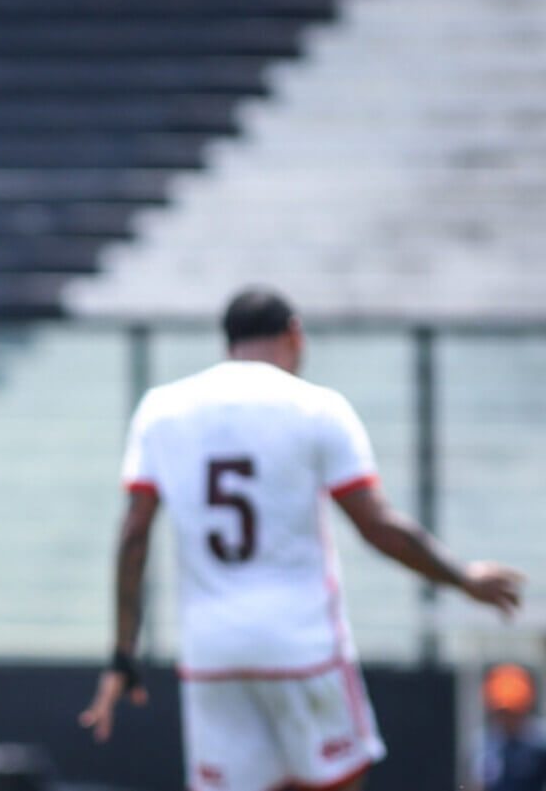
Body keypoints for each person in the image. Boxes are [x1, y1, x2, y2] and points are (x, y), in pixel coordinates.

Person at [78, 287, 524, 791]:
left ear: (229, 342)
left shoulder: (160, 410)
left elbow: (135, 535)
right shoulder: (316, 407)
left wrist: (122, 654)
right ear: (294, 333)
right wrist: (463, 576)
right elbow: (376, 525)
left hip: (212, 654)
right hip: (303, 646)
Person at [473, 663, 546, 791]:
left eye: (512, 713)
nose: (506, 719)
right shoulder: (484, 744)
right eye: (502, 713)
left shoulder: (540, 741)